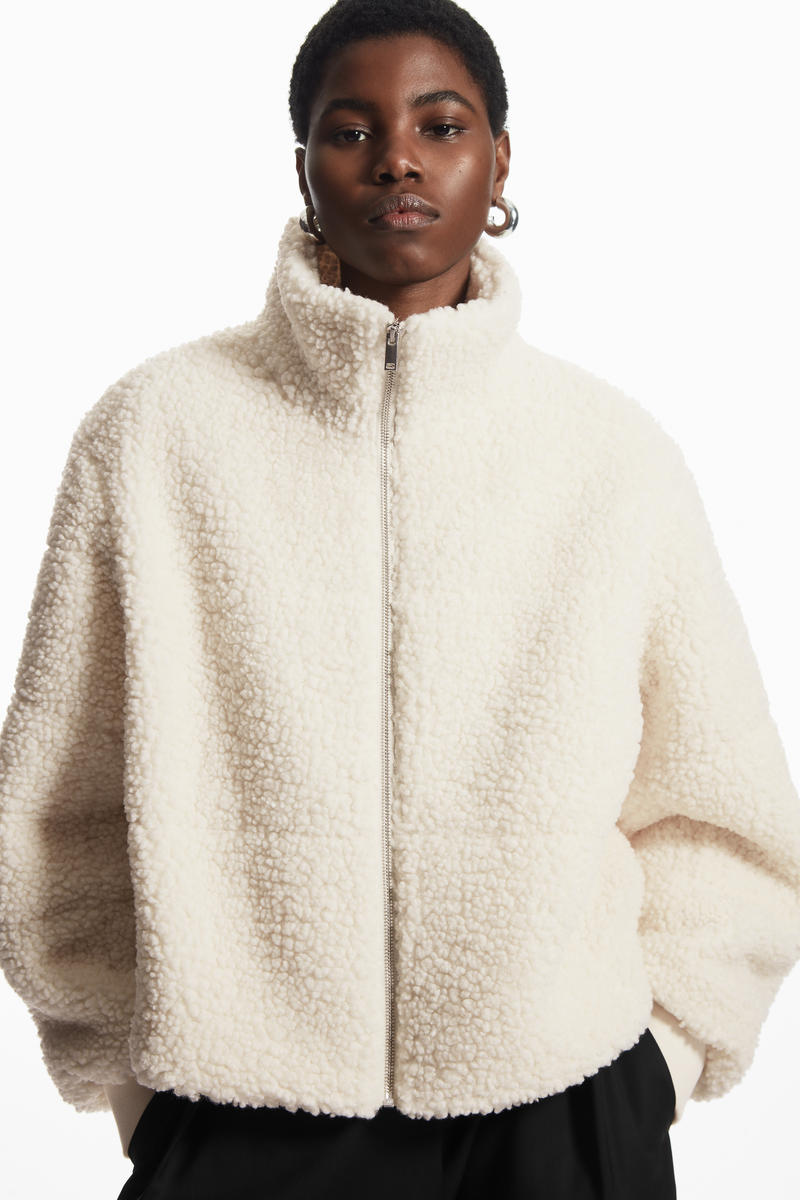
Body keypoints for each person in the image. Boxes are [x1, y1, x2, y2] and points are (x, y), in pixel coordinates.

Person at [1, 1, 799, 1197]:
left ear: (499, 159)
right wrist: (134, 1080)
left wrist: (660, 1060)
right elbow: (54, 803)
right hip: (242, 1109)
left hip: (558, 1105)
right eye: (351, 130)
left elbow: (716, 806)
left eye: (440, 124)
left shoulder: (607, 456)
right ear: (303, 169)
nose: (397, 161)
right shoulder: (154, 438)